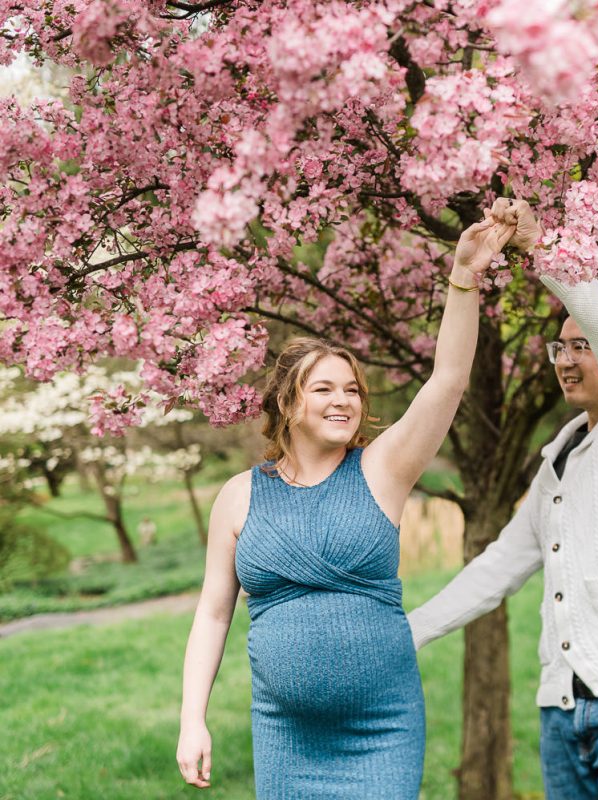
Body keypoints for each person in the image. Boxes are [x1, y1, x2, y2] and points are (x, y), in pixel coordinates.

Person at [175, 210, 517, 798]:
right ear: (288, 402)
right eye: (324, 389)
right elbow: (212, 612)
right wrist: (191, 719)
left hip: (381, 726)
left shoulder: (382, 471)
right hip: (286, 732)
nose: (344, 401)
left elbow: (447, 381)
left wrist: (464, 277)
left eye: (352, 389)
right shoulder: (239, 496)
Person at [407, 198, 598, 799]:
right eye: (559, 348)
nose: (566, 361)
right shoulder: (558, 462)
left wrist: (543, 250)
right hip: (564, 713)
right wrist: (407, 632)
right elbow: (498, 566)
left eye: (582, 346)